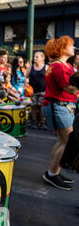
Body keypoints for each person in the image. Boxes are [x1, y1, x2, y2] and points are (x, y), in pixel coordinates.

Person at [41, 36, 78, 191]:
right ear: (63, 48)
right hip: (59, 106)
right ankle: (52, 174)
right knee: (66, 141)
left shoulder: (61, 65)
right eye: (71, 45)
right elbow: (70, 88)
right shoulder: (59, 67)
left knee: (62, 141)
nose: (74, 48)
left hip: (61, 106)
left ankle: (53, 172)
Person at [28, 51, 48, 129]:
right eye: (34, 56)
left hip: (43, 90)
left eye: (37, 57)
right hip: (32, 91)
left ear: (42, 58)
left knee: (41, 106)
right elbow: (26, 77)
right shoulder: (30, 67)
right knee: (33, 106)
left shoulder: (46, 67)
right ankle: (33, 121)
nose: (34, 58)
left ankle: (42, 122)